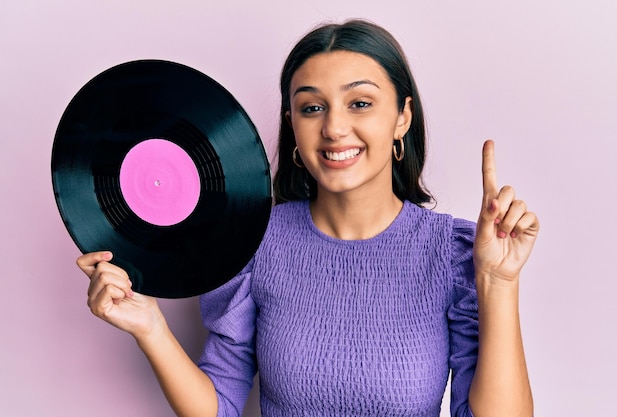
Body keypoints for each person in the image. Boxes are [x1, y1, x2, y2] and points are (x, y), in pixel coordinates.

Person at [77, 19, 538, 417]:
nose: (334, 127)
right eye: (312, 107)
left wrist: (498, 283)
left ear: (402, 118)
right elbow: (218, 405)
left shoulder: (452, 253)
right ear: (293, 123)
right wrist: (150, 328)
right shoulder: (254, 242)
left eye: (360, 103)